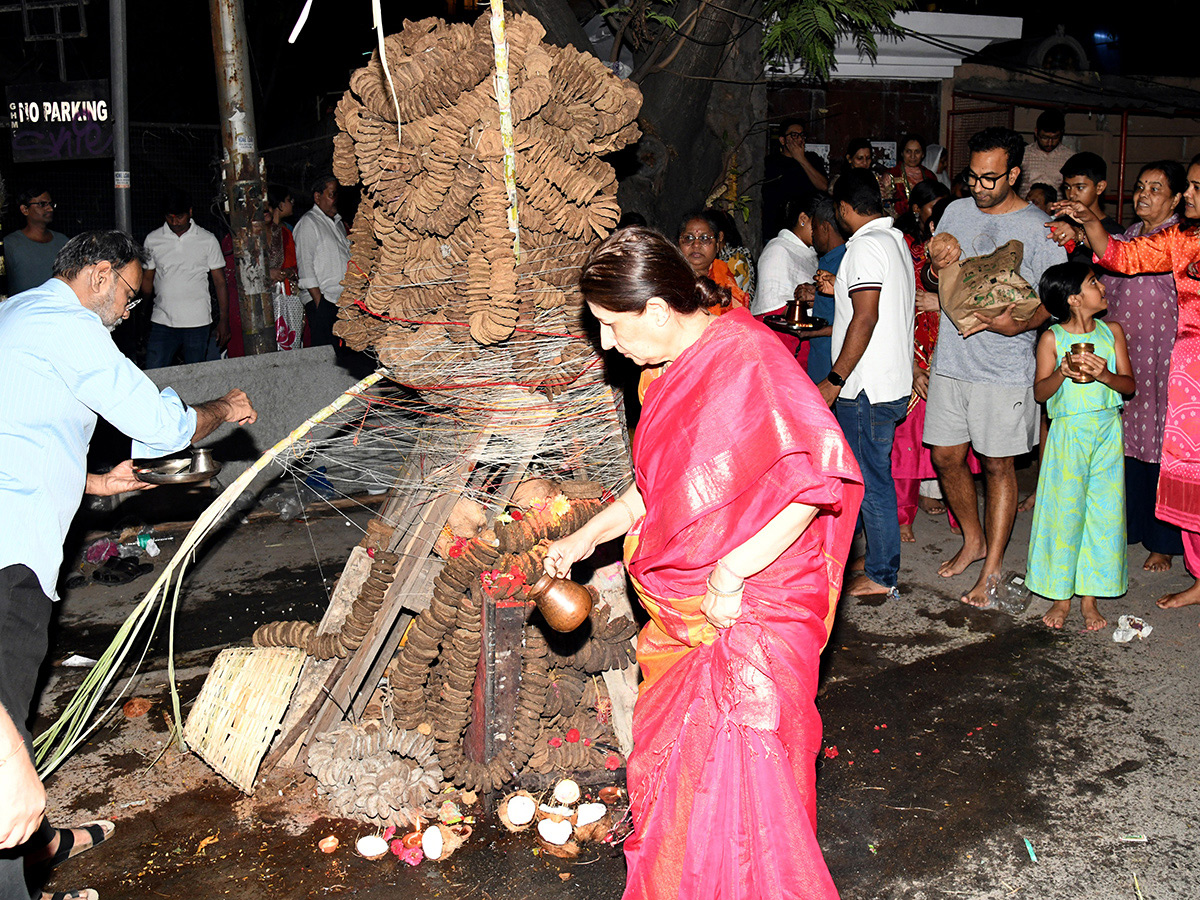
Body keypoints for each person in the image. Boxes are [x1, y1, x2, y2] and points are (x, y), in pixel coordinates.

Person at [543, 225, 861, 900]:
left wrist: (730, 572)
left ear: (657, 311)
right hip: (684, 617)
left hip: (753, 608)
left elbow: (812, 485)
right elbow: (653, 490)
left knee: (751, 784)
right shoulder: (660, 376)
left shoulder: (748, 357)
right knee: (684, 774)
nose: (606, 344)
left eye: (610, 326)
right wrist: (583, 538)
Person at [0, 231, 258, 900]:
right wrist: (224, 409)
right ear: (96, 276)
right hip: (9, 563)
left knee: (12, 719)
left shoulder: (15, 314)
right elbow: (162, 427)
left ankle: (39, 845)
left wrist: (95, 485)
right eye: (129, 294)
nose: (129, 311)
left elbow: (19, 435)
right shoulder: (69, 326)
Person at [922, 126, 1065, 608]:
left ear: (1015, 174)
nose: (978, 188)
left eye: (990, 179)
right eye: (972, 177)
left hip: (1004, 367)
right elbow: (936, 274)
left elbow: (1059, 298)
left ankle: (993, 566)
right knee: (944, 456)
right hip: (952, 360)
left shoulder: (1039, 227)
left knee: (998, 465)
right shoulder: (955, 211)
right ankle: (974, 538)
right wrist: (931, 258)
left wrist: (1019, 327)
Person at [1051, 154, 1200, 615]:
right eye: (1190, 186)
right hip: (1190, 374)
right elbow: (1121, 255)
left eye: (1195, 188)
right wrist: (1089, 217)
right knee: (1188, 474)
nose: (1190, 196)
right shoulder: (1182, 238)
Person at [815, 169, 915, 597]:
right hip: (889, 381)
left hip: (864, 387)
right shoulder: (894, 243)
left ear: (843, 209)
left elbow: (866, 315)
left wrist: (835, 379)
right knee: (874, 475)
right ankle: (876, 556)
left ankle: (881, 574)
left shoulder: (864, 247)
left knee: (869, 481)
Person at [1027, 263, 1134, 630]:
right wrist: (1062, 372)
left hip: (1106, 429)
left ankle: (1089, 598)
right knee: (1064, 511)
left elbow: (1128, 387)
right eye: (1092, 283)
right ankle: (1061, 596)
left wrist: (1104, 374)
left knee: (1102, 513)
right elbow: (1041, 393)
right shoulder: (1052, 339)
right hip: (1068, 434)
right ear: (1074, 299)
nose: (1102, 286)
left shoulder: (1112, 332)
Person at [1099, 161, 1187, 571]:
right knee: (1126, 447)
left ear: (1176, 198)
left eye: (1156, 187)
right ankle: (1128, 527)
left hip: (1165, 363)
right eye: (1139, 186)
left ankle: (1162, 543)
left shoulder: (1179, 240)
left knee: (1160, 449)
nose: (1144, 194)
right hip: (1126, 360)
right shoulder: (1127, 237)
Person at [141, 190, 229, 368]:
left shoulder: (207, 240)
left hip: (198, 321)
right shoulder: (153, 239)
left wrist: (224, 320)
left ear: (190, 212)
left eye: (179, 216)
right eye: (170, 217)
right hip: (162, 320)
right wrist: (142, 313)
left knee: (194, 373)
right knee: (154, 371)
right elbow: (147, 281)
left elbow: (220, 282)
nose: (175, 222)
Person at [294, 174, 351, 347]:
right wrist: (320, 303)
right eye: (331, 194)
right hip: (324, 301)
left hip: (342, 301)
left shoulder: (338, 223)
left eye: (336, 195)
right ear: (317, 197)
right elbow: (305, 265)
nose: (335, 200)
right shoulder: (308, 223)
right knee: (326, 355)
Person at [798, 193, 845, 384]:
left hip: (834, 364)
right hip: (821, 360)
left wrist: (810, 332)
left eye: (815, 228)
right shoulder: (828, 259)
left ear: (825, 228)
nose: (812, 235)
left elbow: (853, 321)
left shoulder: (846, 261)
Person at [762, 118, 829, 238]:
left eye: (802, 135)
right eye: (794, 135)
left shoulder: (812, 159)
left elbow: (824, 186)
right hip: (778, 229)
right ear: (783, 140)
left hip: (808, 227)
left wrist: (801, 158)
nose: (799, 139)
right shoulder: (772, 162)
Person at [754, 195, 819, 316]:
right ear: (803, 219)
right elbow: (772, 305)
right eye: (818, 224)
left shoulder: (811, 254)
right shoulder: (778, 251)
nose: (822, 230)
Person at [1058, 152, 1124, 263]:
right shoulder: (1062, 224)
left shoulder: (1114, 233)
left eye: (1079, 187)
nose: (1072, 194)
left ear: (1099, 187)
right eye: (1067, 187)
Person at [677, 211, 747, 311]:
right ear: (679, 243)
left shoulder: (724, 276)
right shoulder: (668, 280)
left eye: (704, 238)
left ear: (717, 245)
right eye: (689, 238)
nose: (696, 244)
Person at [3, 188, 69, 296]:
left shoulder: (63, 241)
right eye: (42, 204)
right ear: (25, 210)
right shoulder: (10, 244)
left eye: (51, 204)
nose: (50, 209)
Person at [264, 184, 303, 350]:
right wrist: (267, 273)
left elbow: (295, 266)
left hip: (285, 296)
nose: (265, 213)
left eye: (267, 209)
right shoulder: (247, 236)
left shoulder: (284, 232)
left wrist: (286, 272)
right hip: (259, 302)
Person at [1017, 109, 1073, 198]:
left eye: (1055, 138)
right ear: (1036, 132)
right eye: (1044, 137)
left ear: (1062, 133)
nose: (1050, 143)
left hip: (1057, 210)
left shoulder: (1069, 157)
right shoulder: (1023, 154)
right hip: (1027, 209)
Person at [707, 208, 756, 303]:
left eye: (705, 236)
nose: (697, 243)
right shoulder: (713, 259)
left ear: (720, 236)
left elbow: (726, 300)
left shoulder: (737, 258)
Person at [888, 134, 938, 217]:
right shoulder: (892, 174)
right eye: (908, 151)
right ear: (902, 153)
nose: (913, 156)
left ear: (923, 154)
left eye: (917, 152)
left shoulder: (929, 176)